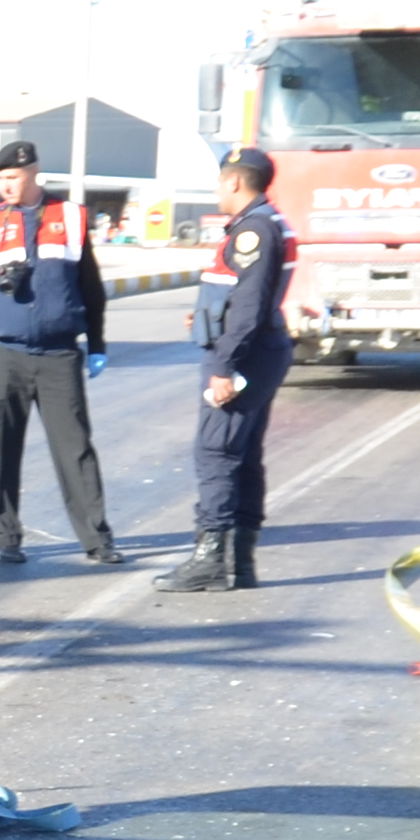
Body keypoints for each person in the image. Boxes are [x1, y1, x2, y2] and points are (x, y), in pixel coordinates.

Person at [0, 138, 116, 566]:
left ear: (33, 175)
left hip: (58, 355)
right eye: (1, 179)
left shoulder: (68, 217)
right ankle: (6, 536)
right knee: (2, 448)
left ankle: (97, 538)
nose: (6, 186)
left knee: (76, 450)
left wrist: (98, 344)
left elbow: (91, 286)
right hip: (4, 354)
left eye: (13, 178)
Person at [158, 147, 292, 593]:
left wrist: (223, 365)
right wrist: (206, 316)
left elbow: (250, 307)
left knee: (216, 454)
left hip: (245, 356)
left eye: (220, 182)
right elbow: (237, 297)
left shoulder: (253, 231)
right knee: (244, 456)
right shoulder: (268, 223)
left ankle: (211, 559)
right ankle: (240, 562)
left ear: (235, 182)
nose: (218, 190)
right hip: (261, 349)